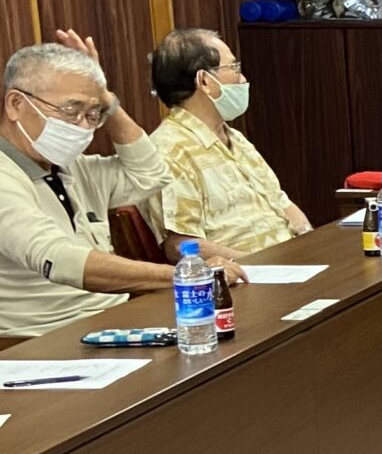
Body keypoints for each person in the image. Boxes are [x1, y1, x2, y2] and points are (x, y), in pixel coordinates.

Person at [0, 31, 241, 338]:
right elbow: (64, 260)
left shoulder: (72, 168)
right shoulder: (5, 176)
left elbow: (152, 175)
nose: (83, 126)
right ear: (16, 104)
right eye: (71, 111)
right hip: (42, 340)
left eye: (92, 114)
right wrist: (188, 276)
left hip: (113, 322)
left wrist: (107, 100)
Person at [146, 28, 310, 259]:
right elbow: (181, 245)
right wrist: (256, 266)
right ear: (204, 81)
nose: (242, 79)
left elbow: (282, 202)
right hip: (246, 279)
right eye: (233, 68)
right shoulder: (170, 150)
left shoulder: (235, 138)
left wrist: (308, 242)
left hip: (289, 264)